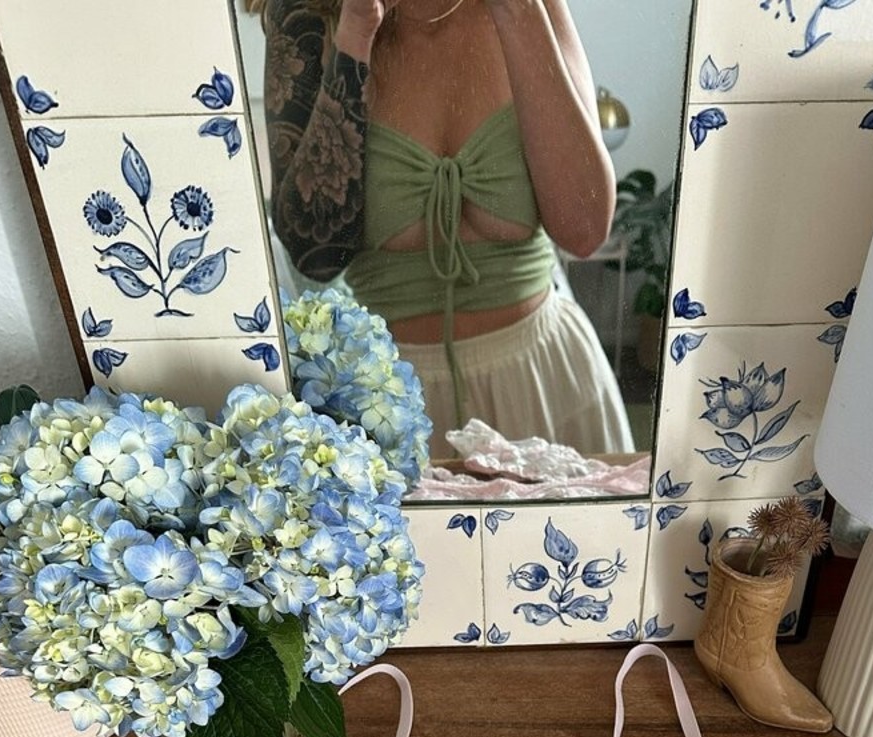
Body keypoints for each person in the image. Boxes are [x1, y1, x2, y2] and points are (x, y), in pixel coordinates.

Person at [262, 0, 635, 455]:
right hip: (392, 405)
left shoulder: (536, 8)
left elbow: (585, 231)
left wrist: (519, 12)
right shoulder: (307, 15)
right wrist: (356, 33)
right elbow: (313, 256)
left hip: (546, 382)